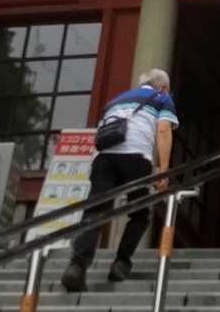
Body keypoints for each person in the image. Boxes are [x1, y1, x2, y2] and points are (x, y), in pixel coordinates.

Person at [61, 67, 179, 292]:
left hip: (103, 159)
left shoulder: (116, 100)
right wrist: (163, 169)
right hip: (136, 158)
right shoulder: (161, 98)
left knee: (95, 212)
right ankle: (121, 263)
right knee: (140, 213)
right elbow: (164, 130)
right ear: (163, 87)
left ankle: (77, 266)